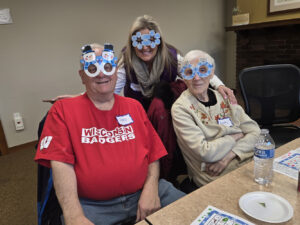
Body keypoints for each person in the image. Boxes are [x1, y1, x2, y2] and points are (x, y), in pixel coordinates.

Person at [35, 43, 185, 225]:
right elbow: (60, 164)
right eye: (92, 69)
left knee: (196, 212)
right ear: (82, 76)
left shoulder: (134, 107)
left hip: (145, 191)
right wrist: (73, 215)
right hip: (93, 206)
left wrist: (151, 188)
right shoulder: (62, 111)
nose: (101, 74)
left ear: (115, 72)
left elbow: (153, 155)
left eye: (107, 67)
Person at [171, 50, 260, 193]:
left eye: (202, 70)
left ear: (211, 73)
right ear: (183, 77)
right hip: (214, 175)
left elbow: (256, 132)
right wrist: (235, 136)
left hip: (246, 163)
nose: (197, 77)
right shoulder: (181, 108)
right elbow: (205, 152)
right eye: (189, 72)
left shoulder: (224, 97)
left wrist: (229, 156)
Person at [115, 15, 236, 111]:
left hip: (163, 114)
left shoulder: (171, 57)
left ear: (158, 41)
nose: (145, 48)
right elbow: (112, 89)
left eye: (151, 40)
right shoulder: (127, 59)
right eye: (139, 41)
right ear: (132, 43)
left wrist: (219, 86)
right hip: (137, 116)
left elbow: (195, 72)